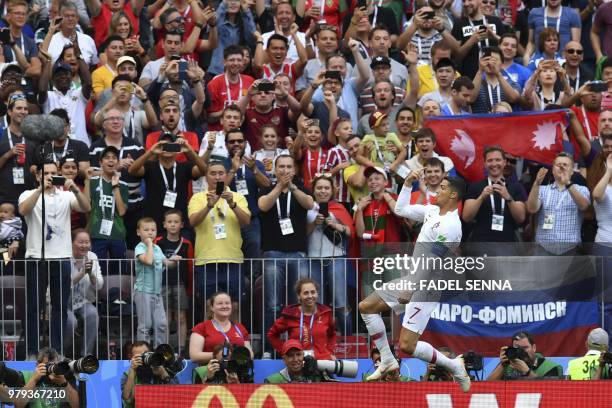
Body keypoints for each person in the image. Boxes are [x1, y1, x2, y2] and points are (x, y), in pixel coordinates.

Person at [358, 172, 470, 392]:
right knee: (366, 307)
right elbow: (400, 210)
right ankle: (388, 360)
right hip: (413, 279)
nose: (438, 190)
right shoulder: (432, 211)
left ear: (454, 195)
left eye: (444, 188)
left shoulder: (451, 225)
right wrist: (407, 185)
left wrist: (411, 288)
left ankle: (454, 365)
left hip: (426, 287)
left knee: (407, 346)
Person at [18, 161, 91, 358]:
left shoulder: (66, 195)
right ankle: (32, 352)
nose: (50, 176)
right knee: (34, 307)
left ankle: (57, 352)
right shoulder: (27, 194)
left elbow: (86, 207)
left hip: (61, 257)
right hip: (36, 256)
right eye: (46, 173)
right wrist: (41, 189)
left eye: (53, 173)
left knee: (60, 308)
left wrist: (75, 188)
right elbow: (23, 210)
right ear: (37, 175)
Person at [258, 154, 315, 351]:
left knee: (298, 303)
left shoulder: (300, 189)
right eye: (280, 167)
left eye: (288, 167)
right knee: (272, 304)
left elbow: (309, 204)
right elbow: (263, 205)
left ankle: (296, 347)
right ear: (275, 170)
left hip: (297, 254)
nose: (284, 170)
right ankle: (269, 348)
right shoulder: (267, 188)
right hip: (273, 254)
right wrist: (278, 187)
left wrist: (292, 188)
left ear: (294, 170)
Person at [188, 161, 251, 303]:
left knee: (234, 305)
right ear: (206, 177)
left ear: (227, 175)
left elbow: (246, 221)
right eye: (213, 173)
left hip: (232, 259)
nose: (217, 177)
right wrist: (208, 206)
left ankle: (234, 327)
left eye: (221, 173)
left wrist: (232, 204)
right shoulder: (197, 198)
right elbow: (193, 222)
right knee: (208, 305)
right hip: (206, 260)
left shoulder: (237, 197)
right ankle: (208, 327)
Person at [462, 146, 527, 254]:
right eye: (490, 160)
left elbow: (521, 218)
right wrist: (481, 197)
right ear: (484, 163)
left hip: (508, 244)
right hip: (480, 245)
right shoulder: (475, 187)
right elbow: (466, 217)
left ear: (505, 162)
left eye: (498, 160)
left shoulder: (516, 187)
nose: (494, 164)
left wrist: (508, 198)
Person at [526, 153, 591, 255]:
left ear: (572, 171)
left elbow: (584, 206)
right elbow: (531, 209)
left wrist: (568, 183)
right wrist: (537, 183)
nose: (562, 167)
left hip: (570, 248)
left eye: (565, 165)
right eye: (558, 165)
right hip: (543, 248)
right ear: (552, 170)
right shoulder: (542, 189)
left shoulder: (581, 189)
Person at [134, 217, 180, 347]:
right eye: (146, 230)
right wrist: (149, 244)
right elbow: (148, 261)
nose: (150, 233)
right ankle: (144, 353)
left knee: (161, 324)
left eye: (153, 230)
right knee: (145, 325)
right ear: (138, 232)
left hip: (157, 292)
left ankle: (160, 353)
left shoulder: (157, 248)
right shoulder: (140, 247)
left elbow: (167, 263)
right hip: (143, 291)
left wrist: (174, 260)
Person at [268, 278, 337, 360]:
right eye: (306, 293)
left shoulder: (325, 313)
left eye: (313, 292)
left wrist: (330, 352)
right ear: (298, 296)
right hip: (297, 363)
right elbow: (272, 335)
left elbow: (332, 335)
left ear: (317, 294)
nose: (310, 296)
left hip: (322, 361)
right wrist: (285, 351)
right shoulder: (290, 315)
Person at [155, 209, 194, 353]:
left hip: (180, 283)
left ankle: (181, 348)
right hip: (162, 283)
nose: (172, 225)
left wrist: (190, 287)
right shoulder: (158, 242)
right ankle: (165, 348)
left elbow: (190, 267)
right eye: (169, 222)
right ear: (164, 224)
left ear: (182, 225)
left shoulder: (187, 244)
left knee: (181, 317)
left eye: (176, 222)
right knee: (165, 317)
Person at [87, 145, 129, 276]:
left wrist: (115, 186)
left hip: (117, 233)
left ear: (118, 162)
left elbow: (122, 212)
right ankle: (99, 297)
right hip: (97, 233)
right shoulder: (93, 182)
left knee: (119, 272)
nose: (111, 160)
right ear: (100, 163)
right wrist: (87, 180)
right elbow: (86, 205)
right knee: (98, 271)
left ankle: (118, 296)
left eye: (114, 158)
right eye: (107, 158)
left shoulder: (123, 185)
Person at [66, 229, 103, 357]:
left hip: (83, 301)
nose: (84, 245)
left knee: (92, 314)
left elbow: (99, 285)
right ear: (71, 243)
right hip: (63, 302)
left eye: (87, 242)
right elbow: (64, 286)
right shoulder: (64, 256)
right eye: (80, 242)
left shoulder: (92, 257)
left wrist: (90, 273)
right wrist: (82, 274)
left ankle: (86, 356)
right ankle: (63, 353)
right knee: (71, 322)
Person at [189, 292, 252, 365]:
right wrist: (220, 355)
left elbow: (250, 353)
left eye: (227, 303)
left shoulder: (240, 328)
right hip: (212, 372)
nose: (224, 306)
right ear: (212, 307)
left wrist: (235, 355)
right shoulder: (201, 327)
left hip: (237, 373)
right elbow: (194, 356)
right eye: (220, 303)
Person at [121, 341, 178, 408]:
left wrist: (164, 375)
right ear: (132, 358)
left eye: (145, 354)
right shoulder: (128, 374)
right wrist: (132, 371)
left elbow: (177, 396)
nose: (144, 357)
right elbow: (126, 398)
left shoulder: (161, 368)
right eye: (140, 356)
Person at [487, 331, 564, 380]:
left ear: (534, 348)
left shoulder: (551, 367)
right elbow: (487, 387)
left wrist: (527, 372)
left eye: (525, 348)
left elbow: (552, 391)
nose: (521, 352)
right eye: (517, 348)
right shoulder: (508, 365)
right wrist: (503, 365)